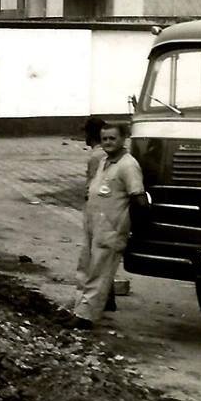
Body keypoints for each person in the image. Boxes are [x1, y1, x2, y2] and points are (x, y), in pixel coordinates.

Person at [74, 119, 143, 326]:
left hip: (111, 228)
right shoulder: (104, 161)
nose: (108, 142)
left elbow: (138, 197)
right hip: (94, 224)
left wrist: (129, 228)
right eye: (104, 139)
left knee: (100, 271)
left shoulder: (128, 165)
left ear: (123, 139)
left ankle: (86, 317)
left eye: (113, 138)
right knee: (85, 266)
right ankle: (80, 309)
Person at [81, 117, 119, 312]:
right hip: (108, 209)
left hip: (98, 210)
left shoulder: (96, 156)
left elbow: (93, 185)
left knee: (95, 255)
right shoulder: (105, 154)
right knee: (103, 254)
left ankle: (100, 298)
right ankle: (108, 297)